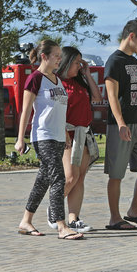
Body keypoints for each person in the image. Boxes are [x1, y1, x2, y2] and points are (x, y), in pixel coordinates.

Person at [15, 40, 83, 240]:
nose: (59, 60)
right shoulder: (35, 79)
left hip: (59, 137)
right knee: (59, 178)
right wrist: (20, 139)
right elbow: (26, 110)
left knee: (42, 182)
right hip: (43, 137)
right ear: (44, 56)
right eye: (56, 56)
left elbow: (59, 110)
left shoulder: (57, 80)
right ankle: (62, 226)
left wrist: (66, 133)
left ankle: (25, 221)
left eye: (60, 56)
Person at [104, 20, 137, 229]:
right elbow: (112, 96)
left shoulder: (134, 62)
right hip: (121, 125)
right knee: (117, 174)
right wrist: (121, 123)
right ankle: (114, 218)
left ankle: (133, 210)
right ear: (131, 36)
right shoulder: (114, 61)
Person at [46, 46, 102, 233]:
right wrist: (64, 133)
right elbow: (54, 111)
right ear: (67, 62)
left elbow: (97, 97)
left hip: (83, 133)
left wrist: (87, 73)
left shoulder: (79, 82)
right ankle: (54, 207)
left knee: (80, 178)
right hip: (67, 134)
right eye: (77, 63)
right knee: (70, 176)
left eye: (80, 63)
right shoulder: (57, 82)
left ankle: (74, 218)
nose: (79, 66)